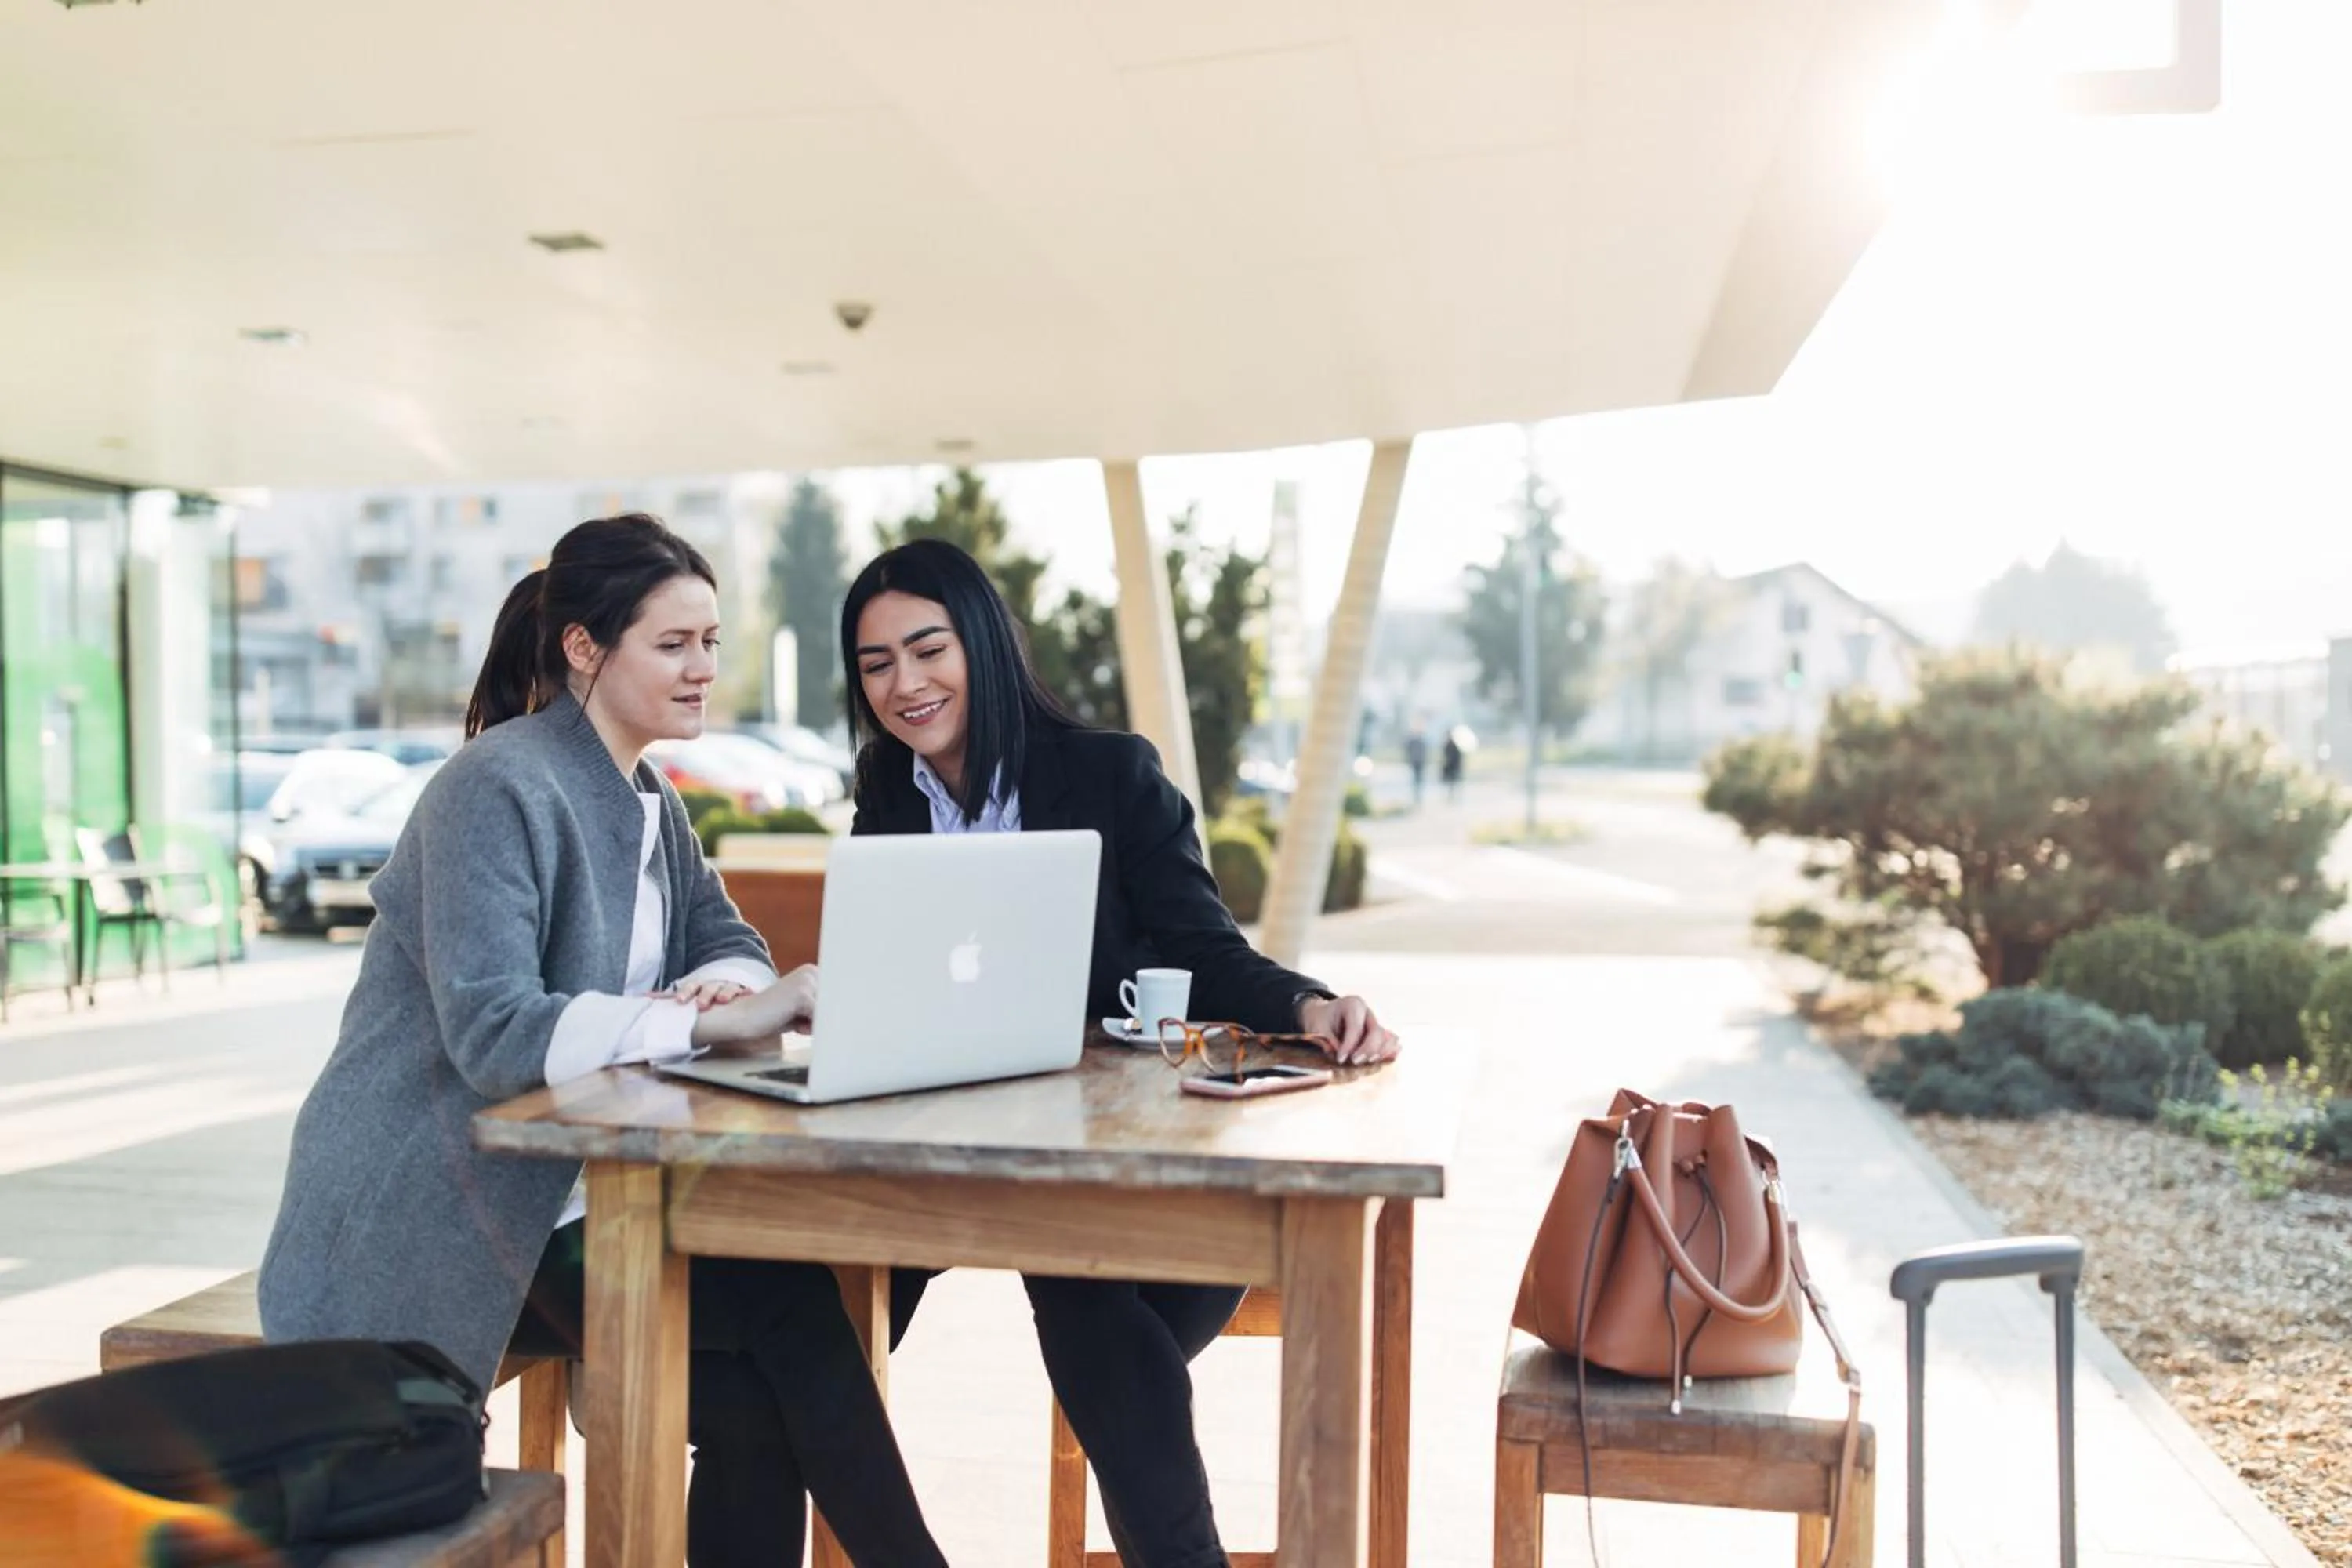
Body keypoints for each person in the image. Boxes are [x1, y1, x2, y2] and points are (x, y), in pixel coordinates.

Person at [257, 514, 949, 1568]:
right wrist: (704, 1021)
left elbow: (726, 936)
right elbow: (494, 1031)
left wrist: (730, 985)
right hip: (439, 1213)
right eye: (673, 644)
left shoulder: (646, 796)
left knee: (762, 1393)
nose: (704, 667)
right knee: (790, 1297)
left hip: (575, 1197)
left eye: (710, 641)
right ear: (584, 647)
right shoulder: (495, 787)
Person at [840, 538, 1401, 1568]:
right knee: (823, 1304)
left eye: (928, 649)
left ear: (984, 644)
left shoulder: (1108, 773)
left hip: (1139, 1175)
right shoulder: (887, 790)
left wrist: (1310, 1003)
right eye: (877, 664)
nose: (905, 684)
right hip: (955, 1148)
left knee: (1082, 1288)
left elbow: (1205, 949)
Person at [1404, 726, 1430, 807]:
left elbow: (1425, 752)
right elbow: (1407, 749)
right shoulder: (1413, 741)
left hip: (1420, 762)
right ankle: (1416, 795)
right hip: (1415, 762)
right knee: (1416, 779)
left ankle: (1418, 795)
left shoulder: (1421, 741)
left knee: (1419, 779)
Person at [1440, 728, 1466, 803]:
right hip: (1450, 767)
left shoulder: (1455, 745)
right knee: (1451, 784)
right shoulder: (1447, 746)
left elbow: (1458, 757)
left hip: (1453, 767)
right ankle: (1451, 797)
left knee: (1454, 784)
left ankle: (1454, 798)